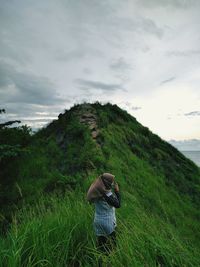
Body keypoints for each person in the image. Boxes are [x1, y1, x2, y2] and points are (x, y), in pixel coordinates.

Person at [86, 173, 121, 255]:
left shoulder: (97, 191)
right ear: (107, 183)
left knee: (101, 246)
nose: (112, 184)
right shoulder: (106, 193)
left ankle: (100, 262)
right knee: (112, 246)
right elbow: (118, 205)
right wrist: (117, 191)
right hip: (107, 222)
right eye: (111, 182)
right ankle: (111, 261)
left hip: (98, 221)